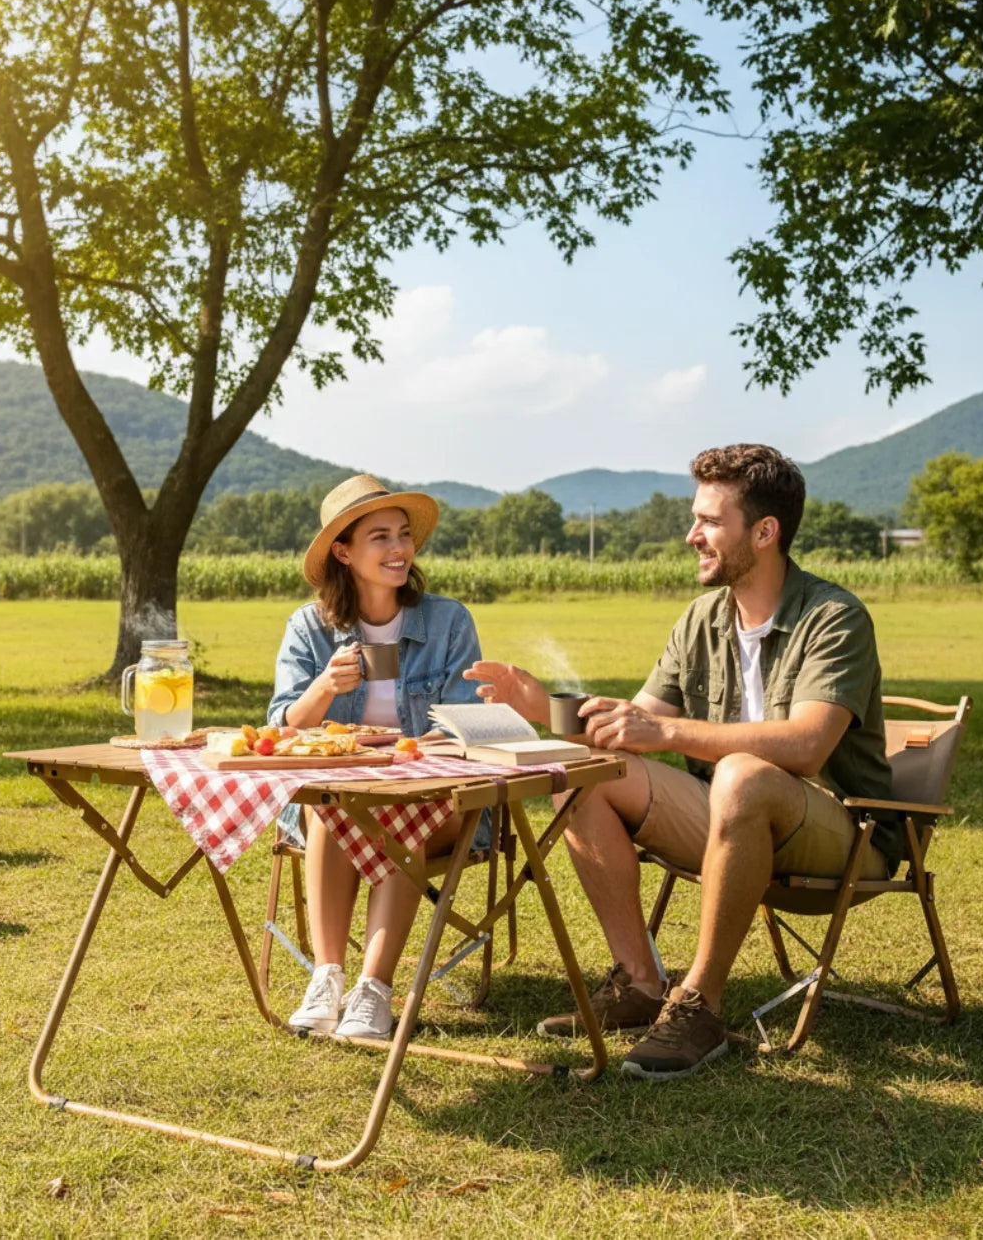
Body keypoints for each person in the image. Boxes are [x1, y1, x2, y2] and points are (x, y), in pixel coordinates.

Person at [467, 444, 895, 1079]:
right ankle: (641, 984)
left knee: (742, 773)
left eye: (710, 522)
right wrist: (538, 704)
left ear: (765, 531)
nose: (692, 535)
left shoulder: (834, 618)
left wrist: (665, 728)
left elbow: (806, 746)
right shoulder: (701, 619)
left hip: (844, 834)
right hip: (731, 819)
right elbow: (624, 732)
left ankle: (699, 1005)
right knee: (585, 781)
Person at [267, 474, 488, 1039]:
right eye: (380, 538)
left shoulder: (447, 621)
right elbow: (280, 728)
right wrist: (322, 689)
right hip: (335, 805)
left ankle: (374, 991)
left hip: (437, 804)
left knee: (399, 807)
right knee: (332, 805)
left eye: (404, 536)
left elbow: (468, 725)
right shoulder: (310, 628)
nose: (398, 550)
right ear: (343, 551)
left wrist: (434, 748)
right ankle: (328, 977)